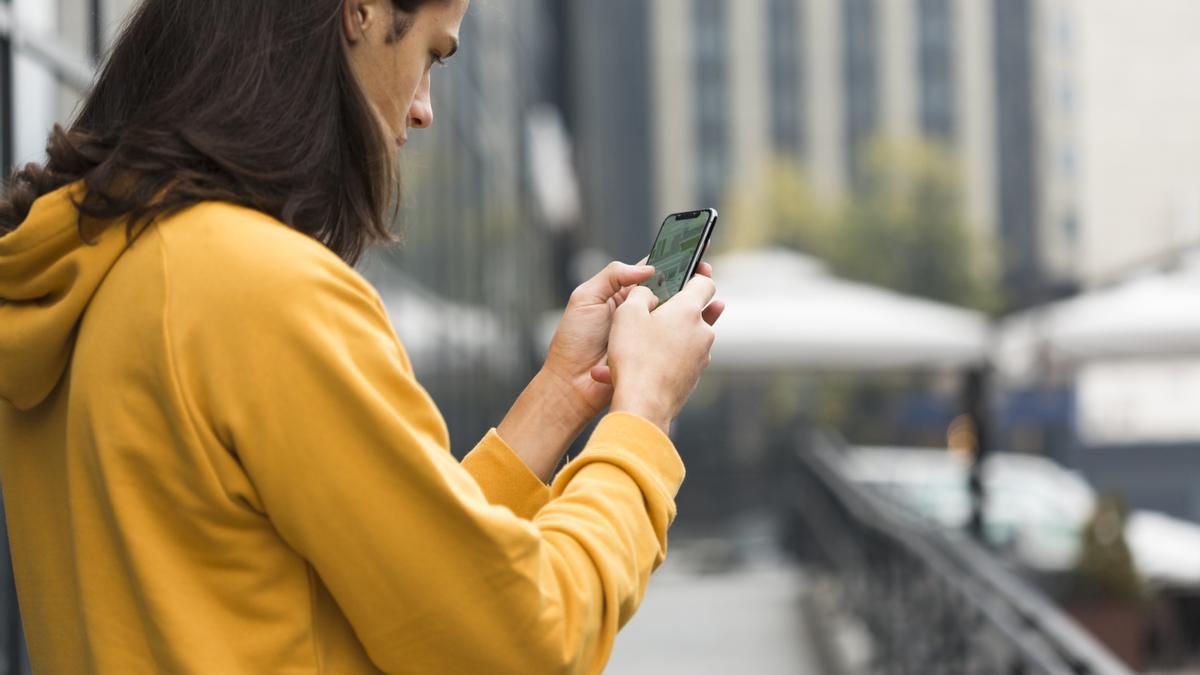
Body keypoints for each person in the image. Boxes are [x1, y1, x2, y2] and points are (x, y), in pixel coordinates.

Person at [0, 0, 726, 673]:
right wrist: (641, 421)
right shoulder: (263, 292)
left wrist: (559, 398)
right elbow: (525, 638)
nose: (423, 109)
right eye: (432, 55)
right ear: (362, 11)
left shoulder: (87, 278)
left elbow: (407, 597)